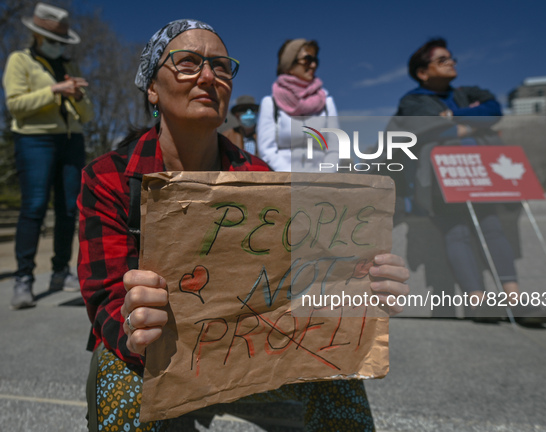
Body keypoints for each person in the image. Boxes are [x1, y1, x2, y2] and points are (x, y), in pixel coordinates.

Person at [77, 19, 410, 431]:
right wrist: (133, 322)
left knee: (340, 375)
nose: (207, 76)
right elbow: (104, 294)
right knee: (122, 387)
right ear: (151, 88)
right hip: (150, 354)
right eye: (187, 63)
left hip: (247, 347)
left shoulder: (259, 177)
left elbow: (307, 266)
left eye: (220, 66)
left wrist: (366, 280)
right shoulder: (109, 177)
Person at [392, 38, 546, 324]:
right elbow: (425, 129)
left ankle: (514, 300)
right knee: (457, 232)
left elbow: (493, 110)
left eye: (451, 58)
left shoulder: (466, 92)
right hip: (441, 177)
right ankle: (478, 301)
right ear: (422, 72)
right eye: (442, 60)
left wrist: (455, 117)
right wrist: (471, 126)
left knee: (492, 227)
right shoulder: (412, 101)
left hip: (483, 172)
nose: (451, 62)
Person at [2, 2, 93, 310]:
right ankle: (23, 278)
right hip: (34, 140)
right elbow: (16, 104)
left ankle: (59, 271)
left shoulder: (66, 69)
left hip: (70, 142)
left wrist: (78, 97)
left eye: (62, 42)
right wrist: (55, 90)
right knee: (35, 205)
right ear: (38, 36)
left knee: (69, 208)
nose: (58, 46)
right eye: (54, 40)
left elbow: (87, 115)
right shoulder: (20, 60)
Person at [257, 39, 339, 172]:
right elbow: (267, 151)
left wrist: (322, 178)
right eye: (307, 59)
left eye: (315, 60)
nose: (313, 65)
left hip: (322, 184)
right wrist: (293, 179)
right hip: (283, 184)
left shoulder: (326, 101)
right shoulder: (270, 103)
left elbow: (335, 147)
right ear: (289, 65)